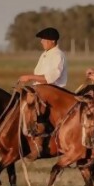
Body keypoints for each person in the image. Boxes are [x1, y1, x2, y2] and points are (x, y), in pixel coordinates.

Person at [18, 27, 67, 159]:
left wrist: (30, 77)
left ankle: (39, 143)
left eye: (44, 40)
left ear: (52, 41)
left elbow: (51, 77)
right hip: (42, 91)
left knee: (33, 109)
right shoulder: (45, 54)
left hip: (53, 94)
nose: (42, 42)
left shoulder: (58, 55)